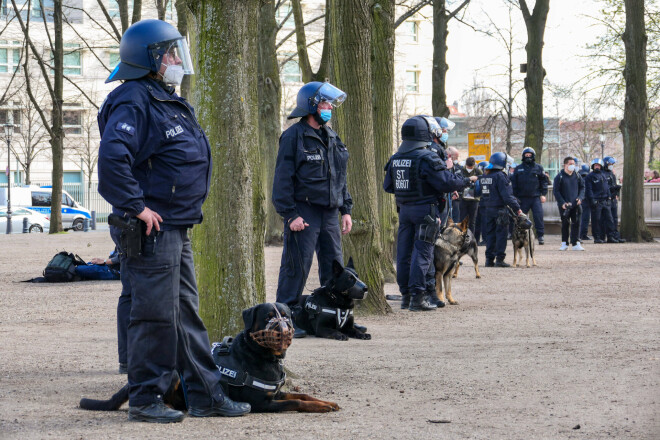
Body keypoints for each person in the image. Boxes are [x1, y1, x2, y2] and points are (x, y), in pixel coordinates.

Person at [97, 19, 251, 423]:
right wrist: (136, 206)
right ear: (148, 59)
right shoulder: (133, 98)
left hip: (176, 226)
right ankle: (146, 398)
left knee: (185, 313)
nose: (176, 59)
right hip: (150, 228)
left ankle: (206, 395)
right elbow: (113, 160)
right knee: (154, 314)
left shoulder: (164, 97)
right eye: (168, 53)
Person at [272, 80, 351, 337]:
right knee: (296, 266)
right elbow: (282, 180)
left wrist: (346, 209)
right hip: (303, 213)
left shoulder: (332, 135)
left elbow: (340, 176)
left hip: (330, 212)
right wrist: (290, 214)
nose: (329, 108)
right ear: (312, 106)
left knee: (334, 266)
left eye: (330, 103)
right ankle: (286, 319)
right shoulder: (293, 136)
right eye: (325, 103)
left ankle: (332, 317)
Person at [384, 116, 476, 311]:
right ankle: (418, 297)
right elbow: (447, 183)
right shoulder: (427, 157)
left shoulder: (396, 158)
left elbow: (388, 186)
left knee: (404, 254)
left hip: (404, 210)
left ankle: (406, 296)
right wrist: (465, 180)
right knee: (423, 253)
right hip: (425, 210)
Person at [477, 152, 523, 267]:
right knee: (501, 235)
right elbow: (507, 196)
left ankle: (489, 260)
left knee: (490, 235)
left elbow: (478, 192)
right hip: (500, 210)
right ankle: (499, 259)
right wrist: (517, 208)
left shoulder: (485, 176)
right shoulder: (500, 176)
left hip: (487, 209)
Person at [511, 147, 548, 245]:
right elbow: (514, 184)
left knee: (538, 217)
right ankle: (519, 237)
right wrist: (515, 197)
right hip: (522, 198)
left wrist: (543, 194)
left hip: (535, 197)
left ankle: (540, 236)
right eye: (526, 155)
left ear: (533, 156)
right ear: (523, 156)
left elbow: (544, 182)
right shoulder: (518, 169)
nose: (528, 157)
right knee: (520, 218)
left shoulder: (539, 168)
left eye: (530, 155)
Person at [553, 157, 585, 251]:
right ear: (565, 165)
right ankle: (564, 243)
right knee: (565, 224)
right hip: (565, 205)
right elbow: (556, 191)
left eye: (573, 164)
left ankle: (576, 243)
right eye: (570, 164)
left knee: (577, 223)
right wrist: (562, 202)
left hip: (576, 204)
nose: (572, 166)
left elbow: (583, 188)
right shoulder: (559, 176)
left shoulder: (577, 176)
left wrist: (580, 197)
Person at [584, 158, 616, 244]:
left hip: (605, 201)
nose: (597, 167)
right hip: (596, 201)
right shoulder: (589, 177)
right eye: (595, 165)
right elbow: (589, 190)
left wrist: (609, 197)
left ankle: (610, 236)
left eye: (598, 165)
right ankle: (597, 237)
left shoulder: (603, 175)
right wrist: (592, 200)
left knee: (609, 220)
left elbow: (607, 187)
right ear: (593, 166)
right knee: (596, 220)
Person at [602, 157, 625, 243]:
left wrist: (616, 193)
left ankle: (615, 235)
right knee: (608, 219)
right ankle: (610, 236)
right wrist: (613, 189)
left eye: (612, 164)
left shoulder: (612, 174)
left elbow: (614, 185)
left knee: (614, 218)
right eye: (610, 164)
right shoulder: (603, 174)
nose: (611, 166)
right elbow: (605, 187)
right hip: (607, 199)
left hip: (613, 199)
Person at [458, 156, 483, 235]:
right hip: (464, 199)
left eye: (471, 167)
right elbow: (459, 181)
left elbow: (482, 180)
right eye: (469, 167)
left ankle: (472, 238)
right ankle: (463, 236)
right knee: (463, 220)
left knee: (472, 221)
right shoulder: (461, 170)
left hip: (474, 199)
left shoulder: (478, 171)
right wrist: (469, 179)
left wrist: (477, 178)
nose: (470, 168)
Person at [446, 146, 463, 223]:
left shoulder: (458, 167)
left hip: (455, 197)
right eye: (456, 157)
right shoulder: (444, 166)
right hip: (445, 199)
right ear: (450, 156)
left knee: (455, 219)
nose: (457, 159)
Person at [578, 164, 592, 241]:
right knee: (585, 218)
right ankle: (582, 234)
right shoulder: (587, 177)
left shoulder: (578, 176)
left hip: (581, 199)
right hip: (585, 200)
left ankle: (581, 234)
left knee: (582, 218)